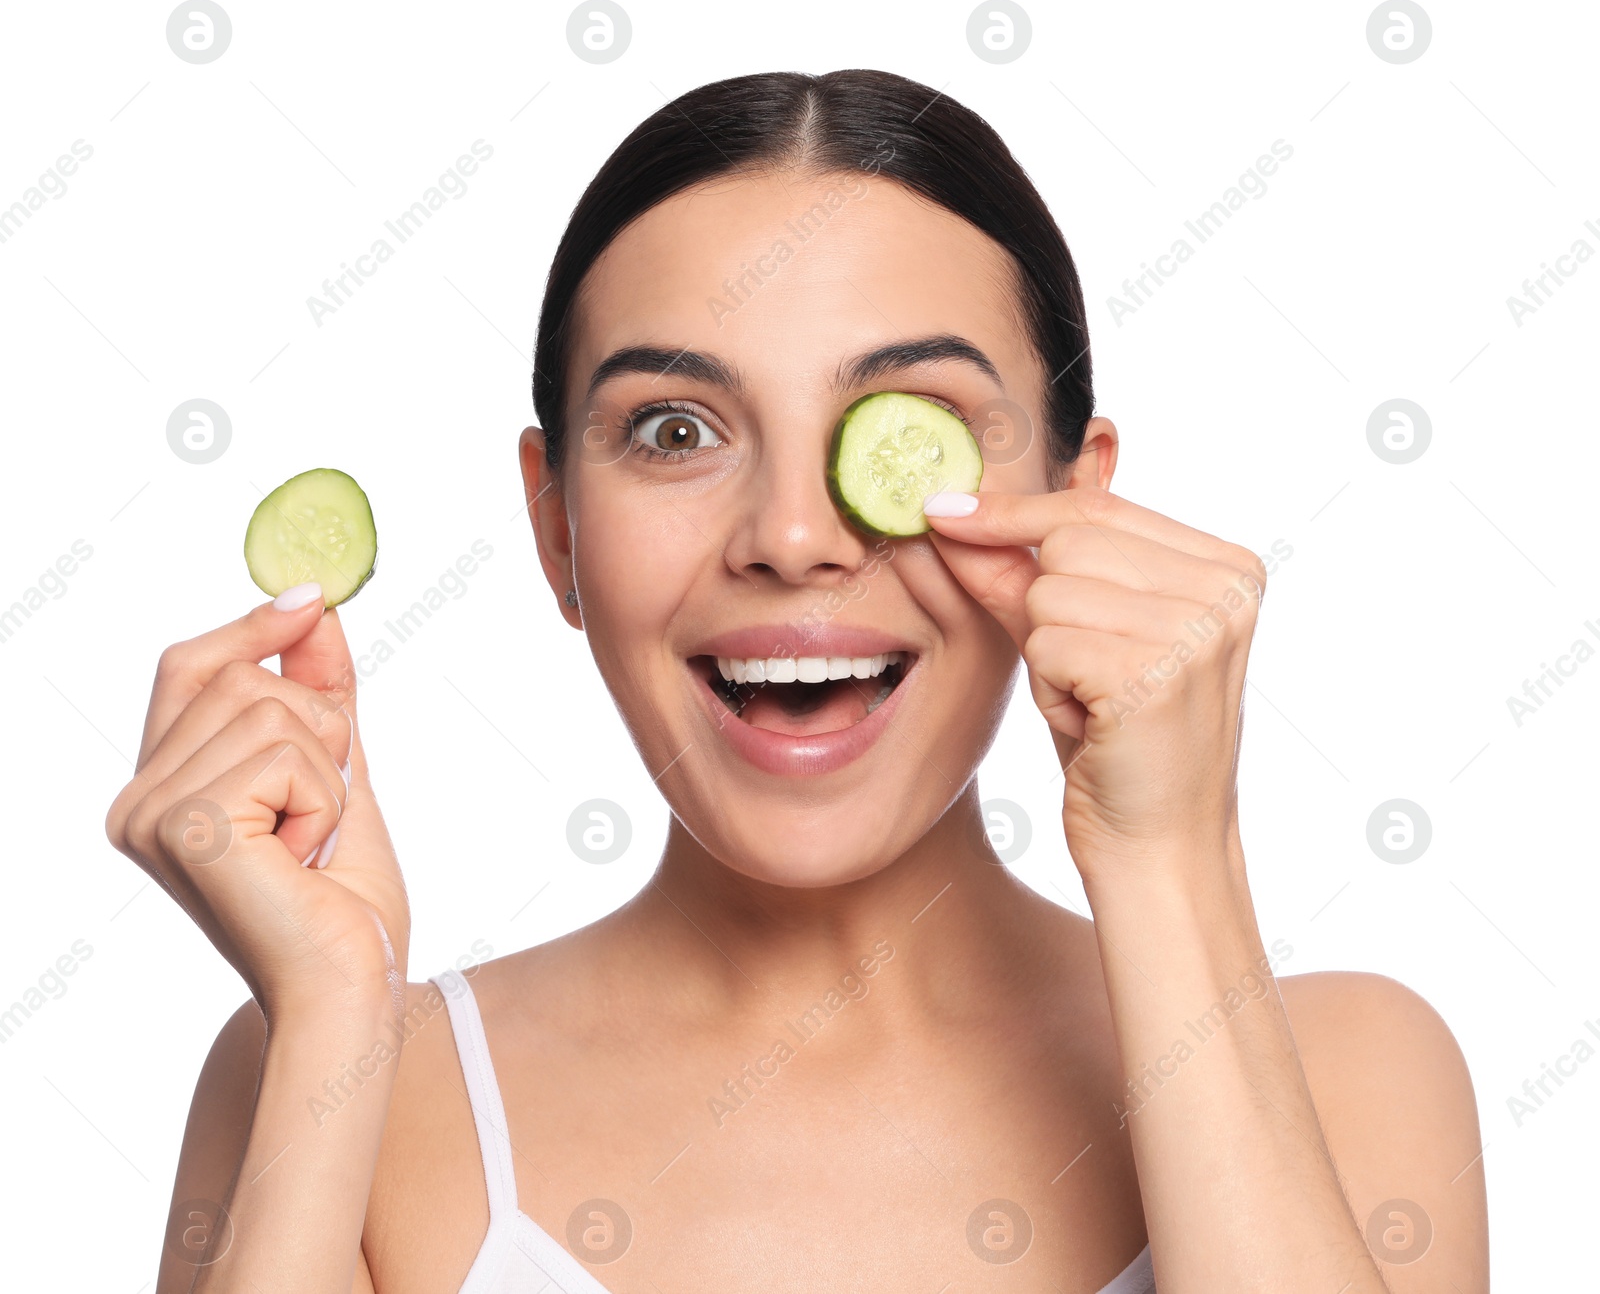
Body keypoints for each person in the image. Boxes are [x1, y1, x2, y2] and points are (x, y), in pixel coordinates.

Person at [107, 70, 1488, 1292]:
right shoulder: (341, 1076)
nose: (791, 537)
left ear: (1079, 510)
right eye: (674, 428)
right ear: (556, 531)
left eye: (912, 428)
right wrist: (336, 1011)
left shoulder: (1352, 1068)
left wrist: (1172, 855)